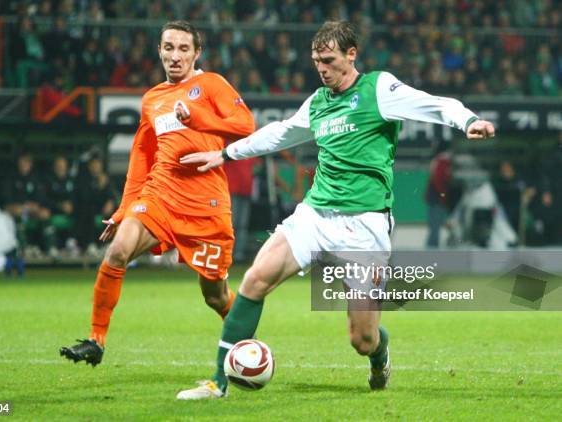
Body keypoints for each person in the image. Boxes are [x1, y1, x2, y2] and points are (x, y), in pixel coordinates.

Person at [176, 21, 495, 399]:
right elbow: (280, 132)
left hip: (364, 225)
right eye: (316, 62)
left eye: (328, 60)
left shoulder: (378, 89)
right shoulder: (317, 102)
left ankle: (380, 352)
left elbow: (436, 104)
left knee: (361, 338)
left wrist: (469, 121)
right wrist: (226, 153)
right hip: (314, 215)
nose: (322, 68)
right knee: (254, 280)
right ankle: (218, 382)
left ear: (351, 55)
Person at [60, 21, 255, 366]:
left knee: (214, 295)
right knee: (118, 251)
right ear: (159, 50)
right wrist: (124, 209)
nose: (175, 56)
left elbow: (245, 126)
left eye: (183, 49)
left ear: (197, 53)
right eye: (168, 48)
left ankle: (250, 346)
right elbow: (142, 154)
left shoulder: (211, 85)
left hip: (205, 204)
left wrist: (198, 119)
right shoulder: (152, 98)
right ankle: (96, 338)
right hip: (161, 194)